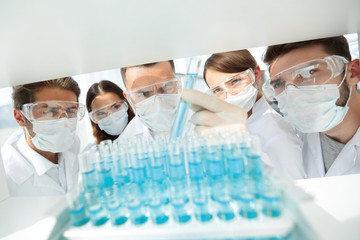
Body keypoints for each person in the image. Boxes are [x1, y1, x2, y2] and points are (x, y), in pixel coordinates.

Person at [262, 36, 360, 177]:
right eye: (279, 84)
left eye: (308, 72)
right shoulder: (292, 140)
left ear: (353, 73)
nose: (292, 94)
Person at [202, 50, 305, 179]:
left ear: (256, 74)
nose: (229, 95)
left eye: (235, 81)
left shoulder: (276, 131)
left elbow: (296, 187)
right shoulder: (237, 124)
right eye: (218, 90)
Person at [1, 77, 85, 196]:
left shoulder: (73, 144)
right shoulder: (7, 176)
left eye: (71, 111)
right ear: (20, 117)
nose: (65, 123)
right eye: (49, 112)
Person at [120, 60, 186, 139]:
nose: (158, 103)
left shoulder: (200, 121)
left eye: (166, 87)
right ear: (128, 98)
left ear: (178, 84)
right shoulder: (124, 142)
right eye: (144, 93)